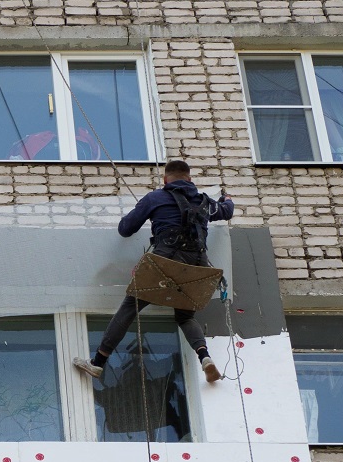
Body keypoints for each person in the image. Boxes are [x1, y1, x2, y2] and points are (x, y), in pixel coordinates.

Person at [74, 159, 233, 385]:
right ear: (190, 179)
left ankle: (98, 363)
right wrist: (227, 198)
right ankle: (204, 357)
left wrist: (145, 211)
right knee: (185, 317)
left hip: (164, 263)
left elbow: (125, 229)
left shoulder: (155, 198)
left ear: (165, 180)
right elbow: (226, 211)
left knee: (129, 308)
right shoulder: (205, 202)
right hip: (197, 267)